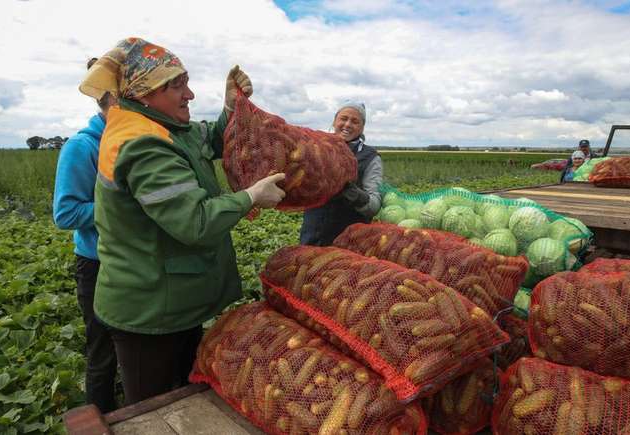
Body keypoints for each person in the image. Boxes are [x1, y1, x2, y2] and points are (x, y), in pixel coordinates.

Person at [78, 37, 285, 405]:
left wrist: (231, 108)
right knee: (151, 409)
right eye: (177, 85)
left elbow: (211, 139)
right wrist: (252, 196)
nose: (189, 94)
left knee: (184, 398)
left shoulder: (166, 127)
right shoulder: (141, 143)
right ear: (144, 92)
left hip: (175, 302)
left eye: (186, 82)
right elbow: (194, 222)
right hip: (149, 310)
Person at [52, 58, 118, 413]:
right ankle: (101, 415)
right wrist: (118, 210)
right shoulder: (83, 147)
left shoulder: (131, 142)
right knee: (101, 352)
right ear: (109, 101)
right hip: (97, 265)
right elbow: (65, 214)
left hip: (129, 264)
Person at [300, 101, 383, 246]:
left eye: (355, 121)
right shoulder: (317, 148)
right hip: (313, 235)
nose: (348, 124)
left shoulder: (370, 157)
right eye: (343, 119)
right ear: (334, 121)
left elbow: (374, 206)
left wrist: (354, 194)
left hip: (350, 241)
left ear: (362, 127)